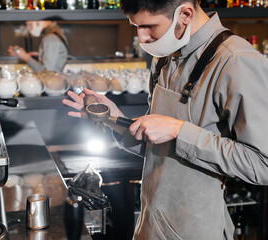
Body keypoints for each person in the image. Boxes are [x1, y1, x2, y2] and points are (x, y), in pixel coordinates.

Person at [63, 0, 268, 239]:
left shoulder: (235, 60)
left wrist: (180, 131)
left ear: (185, 14)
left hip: (197, 230)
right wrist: (114, 118)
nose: (142, 37)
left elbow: (262, 164)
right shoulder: (165, 56)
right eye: (136, 27)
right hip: (151, 225)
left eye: (150, 26)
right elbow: (160, 147)